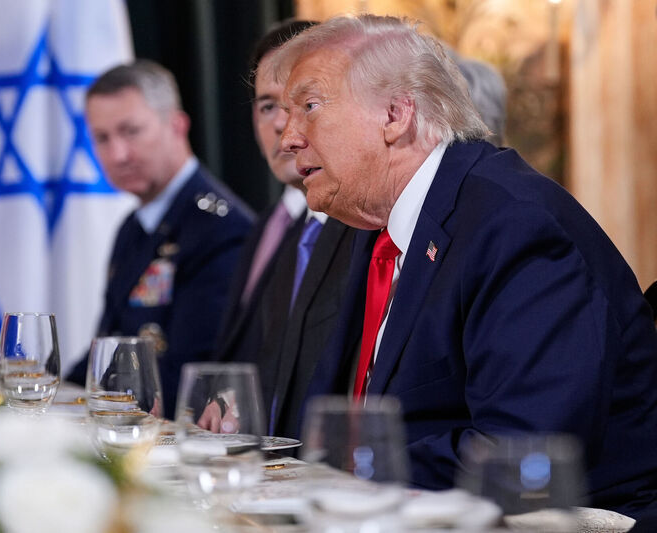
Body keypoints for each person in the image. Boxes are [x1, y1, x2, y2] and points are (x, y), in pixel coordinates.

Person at [268, 15, 657, 519]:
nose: (288, 137)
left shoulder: (512, 224)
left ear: (395, 114)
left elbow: (522, 449)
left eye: (310, 107)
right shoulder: (378, 226)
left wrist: (346, 480)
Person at [67, 61, 254, 419]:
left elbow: (191, 380)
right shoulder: (134, 227)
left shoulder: (220, 229)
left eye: (131, 131)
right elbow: (107, 351)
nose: (118, 154)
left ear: (177, 125)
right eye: (102, 139)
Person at [204, 20, 358, 439]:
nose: (282, 127)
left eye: (303, 104)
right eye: (268, 106)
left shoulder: (368, 227)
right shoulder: (276, 228)